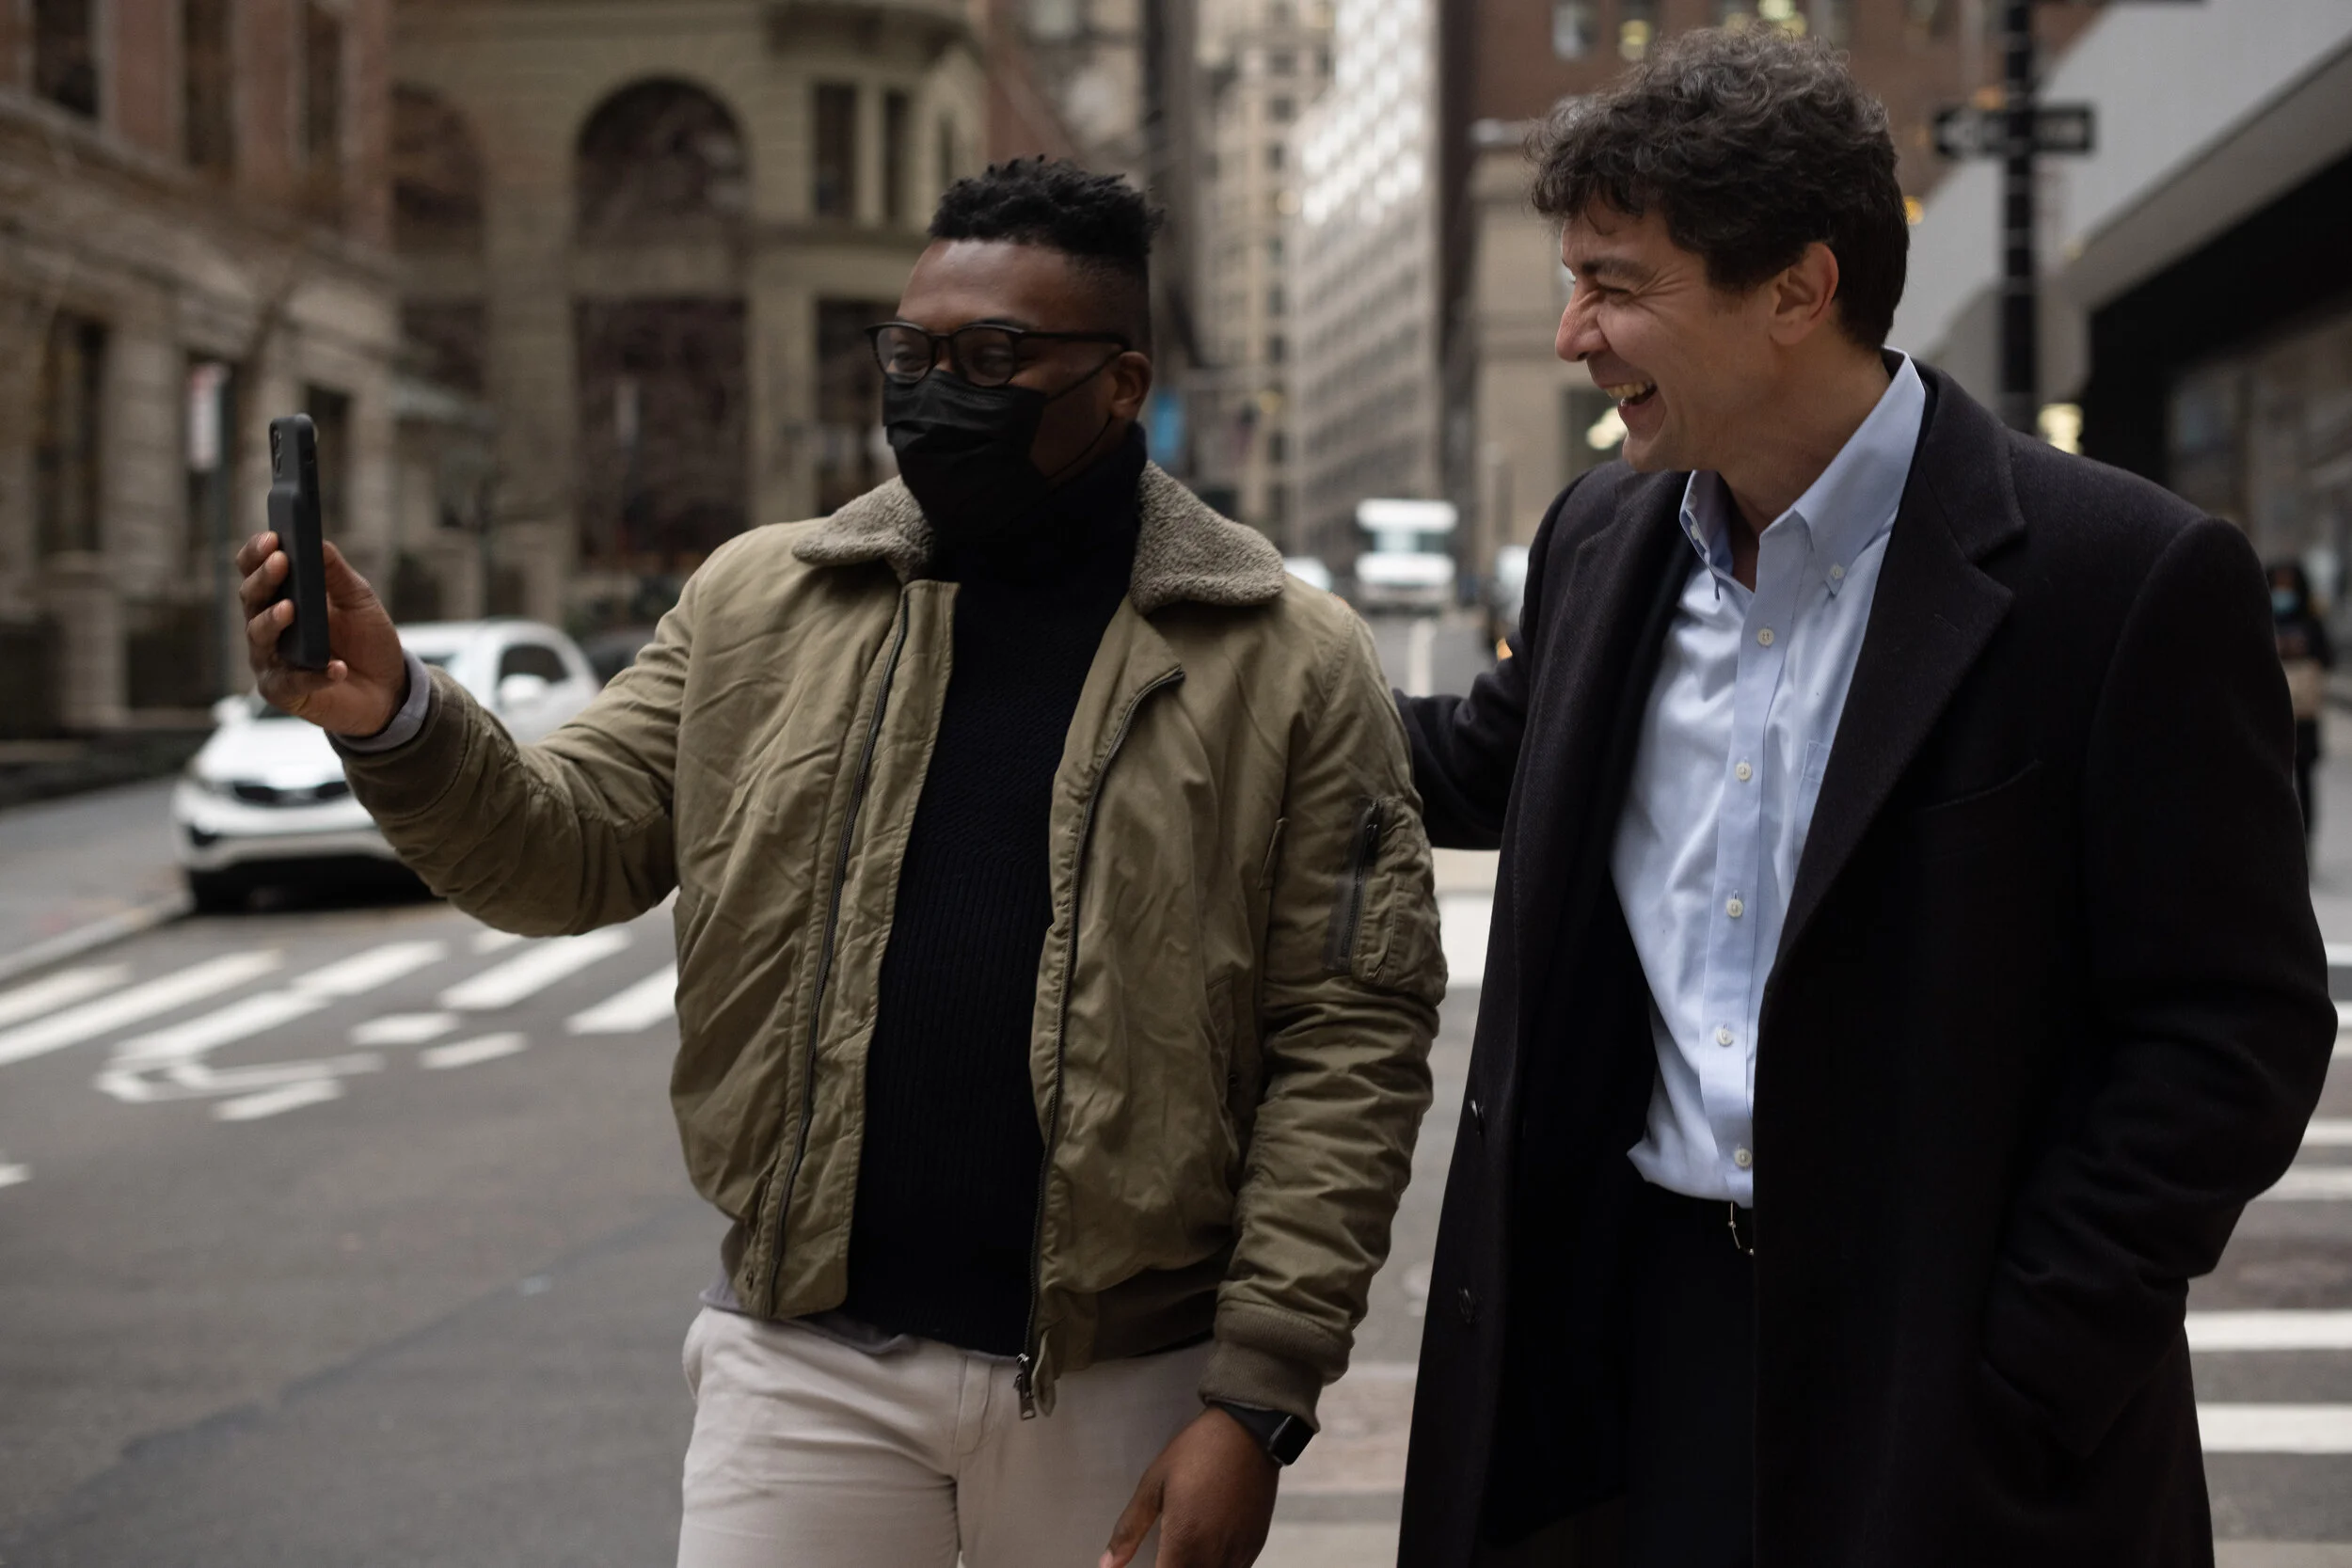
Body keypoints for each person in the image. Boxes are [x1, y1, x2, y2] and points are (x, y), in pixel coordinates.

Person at [235, 158, 1442, 1568]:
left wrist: (1256, 1398)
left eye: (992, 359)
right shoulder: (760, 600)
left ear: (1120, 384)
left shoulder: (1290, 656)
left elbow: (1349, 1038)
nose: (934, 391)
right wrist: (393, 713)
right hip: (804, 1366)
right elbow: (562, 850)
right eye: (911, 354)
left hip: (1128, 1380)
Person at [1391, 29, 2333, 1568]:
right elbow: (1480, 756)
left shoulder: (2125, 577)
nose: (1574, 337)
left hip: (1956, 1379)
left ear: (1797, 290)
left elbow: (2235, 1028)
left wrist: (2031, 1354)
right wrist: (1200, 651)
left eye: (1616, 285)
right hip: (1641, 1350)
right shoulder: (1598, 540)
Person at [2269, 560, 2332, 840]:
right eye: (2278, 584)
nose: (2283, 591)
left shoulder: (2311, 620)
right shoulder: (2263, 615)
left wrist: (2302, 650)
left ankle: (2306, 838)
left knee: (2304, 778)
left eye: (2288, 584)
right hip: (2273, 711)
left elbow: (2327, 657)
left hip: (2304, 715)